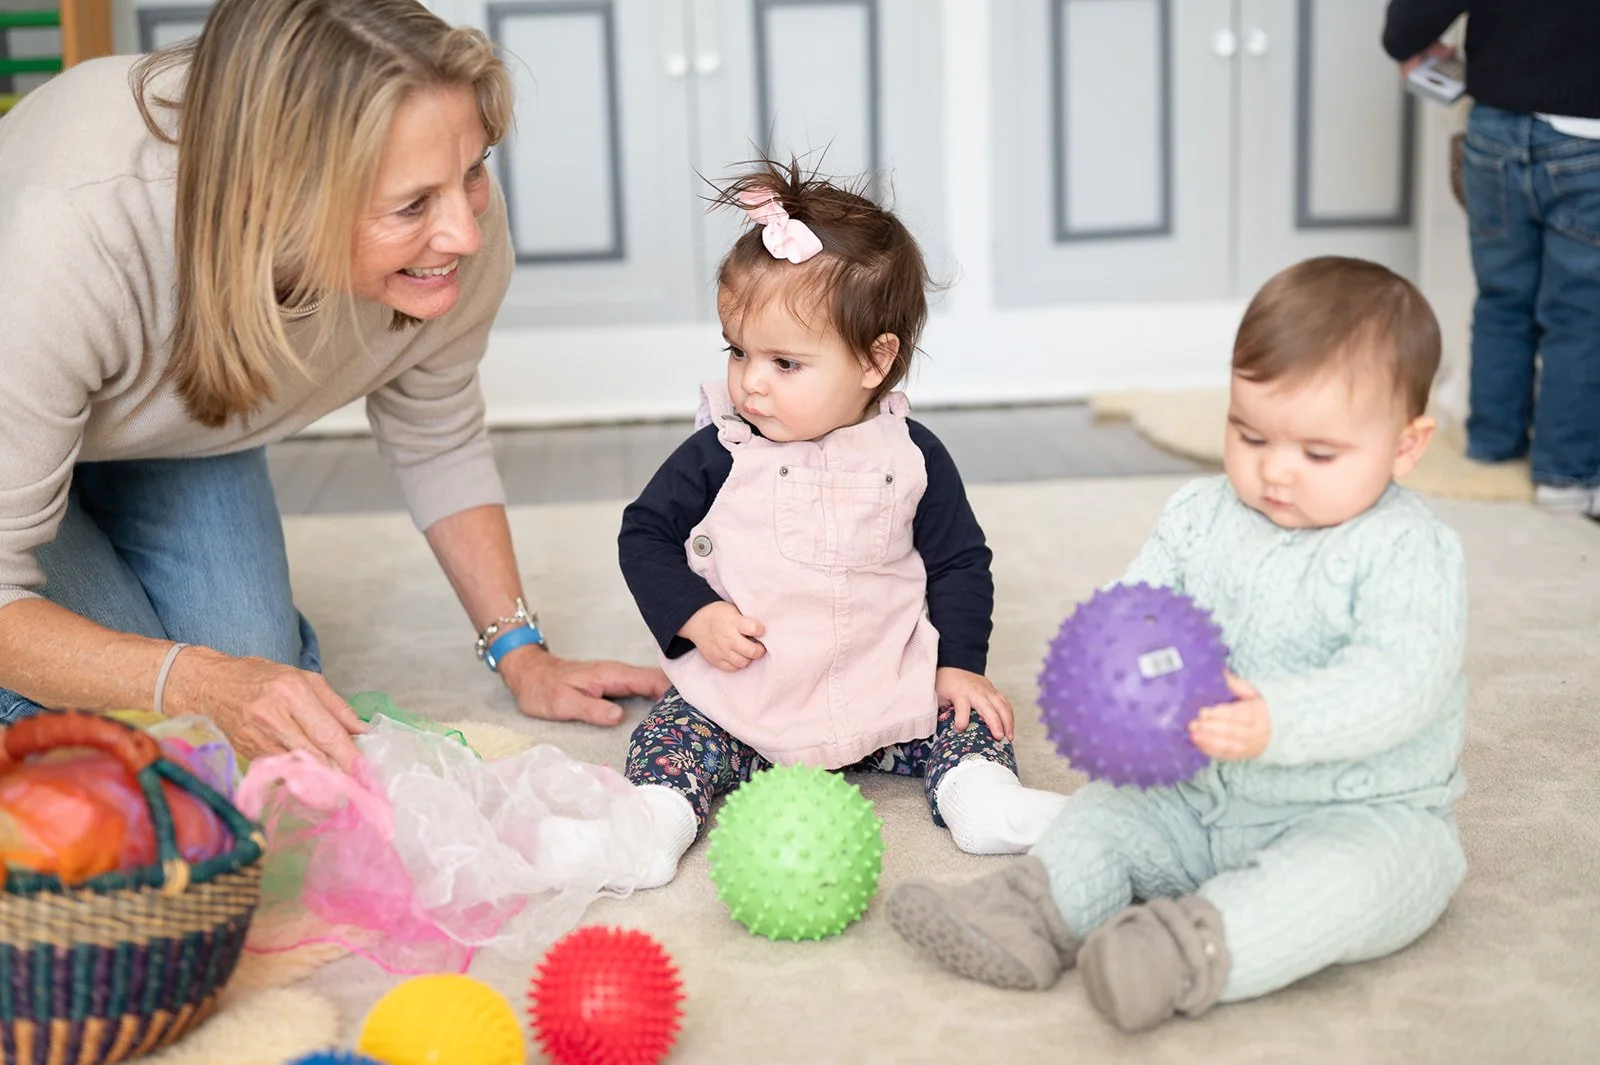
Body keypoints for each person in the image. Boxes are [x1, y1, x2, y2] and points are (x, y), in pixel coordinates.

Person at [0, 0, 665, 770]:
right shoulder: (70, 239)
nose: (466, 234)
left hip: (148, 424)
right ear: (279, 200)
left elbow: (437, 432)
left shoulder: (446, 208)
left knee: (253, 690)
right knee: (149, 720)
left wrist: (522, 653)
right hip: (22, 361)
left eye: (474, 170)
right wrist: (192, 681)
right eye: (412, 205)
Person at [886, 257, 1469, 1033]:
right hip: (1195, 797)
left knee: (1354, 884)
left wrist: (1279, 719)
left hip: (1353, 811)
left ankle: (1180, 950)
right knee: (1104, 816)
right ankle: (1031, 908)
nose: (1276, 471)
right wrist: (1121, 681)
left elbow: (1403, 679)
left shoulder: (1408, 549)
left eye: (1319, 453)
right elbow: (1142, 611)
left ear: (1406, 444)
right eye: (1249, 433)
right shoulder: (1201, 513)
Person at [611, 160, 1068, 886]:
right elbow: (644, 534)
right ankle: (650, 823)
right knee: (674, 732)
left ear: (873, 361)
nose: (751, 380)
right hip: (748, 699)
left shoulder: (912, 456)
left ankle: (982, 799)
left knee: (971, 716)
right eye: (738, 351)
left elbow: (959, 563)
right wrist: (695, 614)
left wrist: (958, 667)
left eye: (785, 362)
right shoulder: (721, 449)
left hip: (885, 686)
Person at [1383, 1, 1600, 516]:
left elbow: (1408, 22)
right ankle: (1564, 475)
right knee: (1579, 313)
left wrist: (1409, 45)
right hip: (1587, 139)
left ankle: (1492, 444)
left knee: (1502, 295)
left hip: (1493, 130)